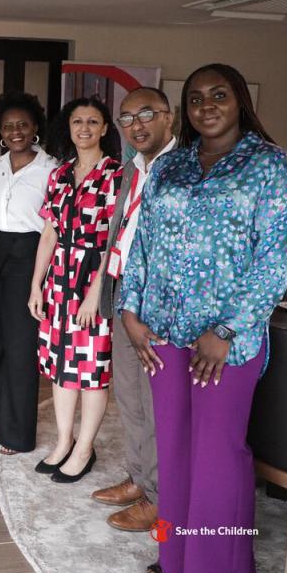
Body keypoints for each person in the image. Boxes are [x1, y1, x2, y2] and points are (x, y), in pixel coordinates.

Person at [120, 64, 287, 573]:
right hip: (161, 333)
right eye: (196, 98)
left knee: (218, 457)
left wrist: (226, 332)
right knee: (171, 452)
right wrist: (130, 311)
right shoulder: (169, 167)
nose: (207, 106)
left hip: (225, 344)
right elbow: (142, 245)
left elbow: (277, 259)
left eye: (218, 95)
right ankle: (172, 557)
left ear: (239, 100)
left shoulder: (270, 167)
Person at [90, 87, 175, 531]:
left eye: (146, 114)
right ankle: (141, 478)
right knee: (129, 395)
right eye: (128, 118)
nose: (136, 125)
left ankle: (161, 498)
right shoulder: (130, 170)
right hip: (123, 290)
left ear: (169, 116)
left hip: (158, 301)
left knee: (155, 399)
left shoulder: (183, 170)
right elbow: (118, 232)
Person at [28, 96, 121, 482]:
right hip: (58, 279)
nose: (84, 128)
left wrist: (96, 292)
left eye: (93, 121)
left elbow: (115, 239)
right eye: (77, 121)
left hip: (94, 275)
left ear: (104, 128)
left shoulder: (117, 175)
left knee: (91, 368)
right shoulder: (60, 174)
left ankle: (85, 449)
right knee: (61, 366)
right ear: (68, 127)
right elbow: (49, 233)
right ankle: (64, 440)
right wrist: (36, 284)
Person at [0, 92, 56, 454]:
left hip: (29, 254)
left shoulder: (52, 168)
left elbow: (52, 226)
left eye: (23, 124)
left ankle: (17, 431)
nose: (16, 131)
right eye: (8, 126)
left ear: (35, 127)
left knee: (20, 345)